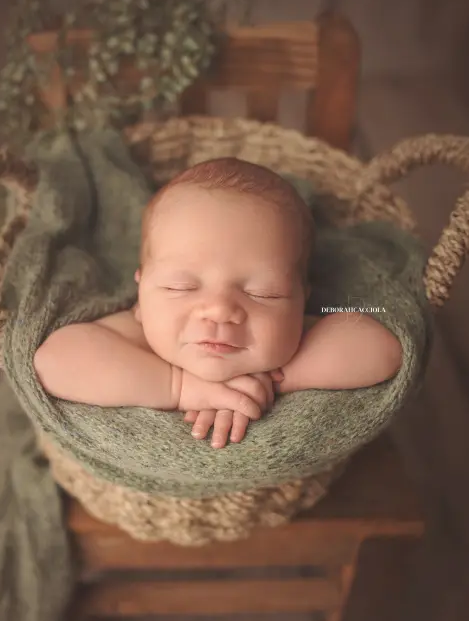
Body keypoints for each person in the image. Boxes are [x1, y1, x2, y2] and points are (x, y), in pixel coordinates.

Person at [34, 157, 402, 449]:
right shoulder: (138, 334)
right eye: (180, 287)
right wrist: (179, 387)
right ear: (142, 294)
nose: (219, 310)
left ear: (300, 298)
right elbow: (53, 361)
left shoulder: (293, 338)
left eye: (263, 293)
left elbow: (383, 349)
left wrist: (272, 379)